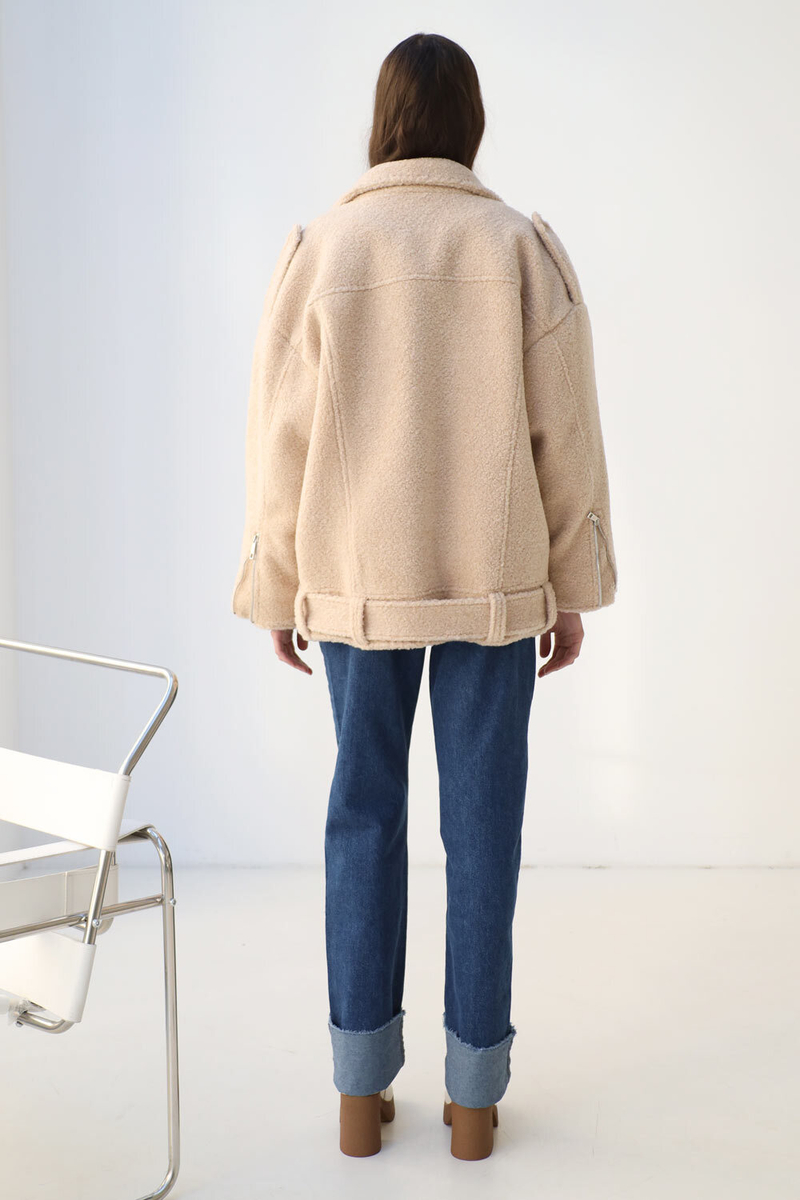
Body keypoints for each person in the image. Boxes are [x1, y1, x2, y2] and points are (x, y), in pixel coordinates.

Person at [231, 32, 618, 1161]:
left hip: (357, 590)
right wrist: (568, 587)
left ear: (383, 119)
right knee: (482, 830)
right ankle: (474, 1105)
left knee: (362, 817)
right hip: (494, 590)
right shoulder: (517, 249)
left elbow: (280, 442)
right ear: (470, 123)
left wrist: (279, 584)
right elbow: (566, 439)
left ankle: (358, 1100)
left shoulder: (325, 249)